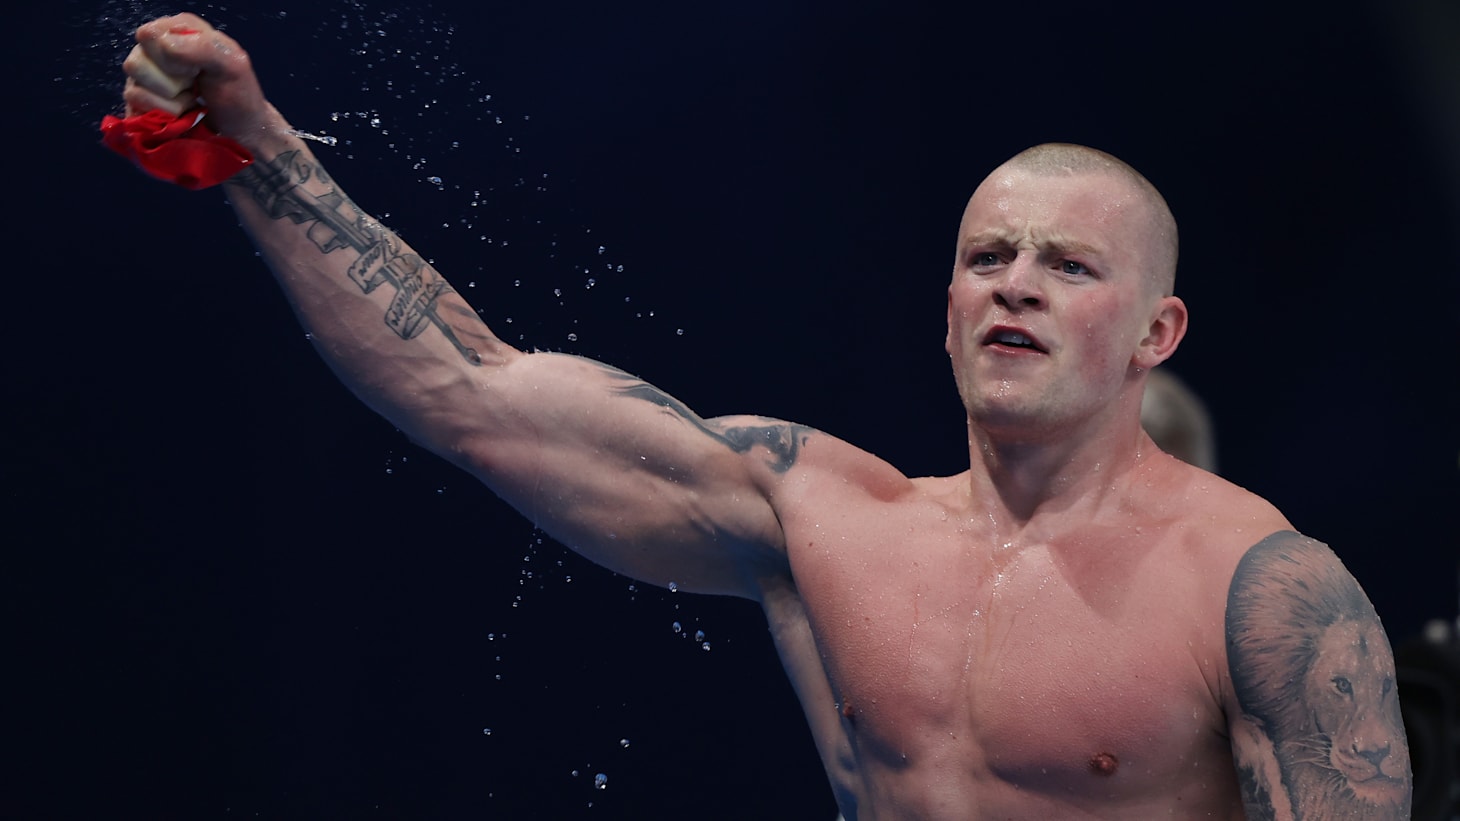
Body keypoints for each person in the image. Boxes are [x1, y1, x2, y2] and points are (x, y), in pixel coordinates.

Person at [113, 14, 1413, 819]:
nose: (1016, 282)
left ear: (1155, 335)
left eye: (1068, 265)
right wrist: (253, 145)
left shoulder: (1264, 591)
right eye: (989, 257)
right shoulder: (827, 520)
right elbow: (467, 387)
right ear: (949, 308)